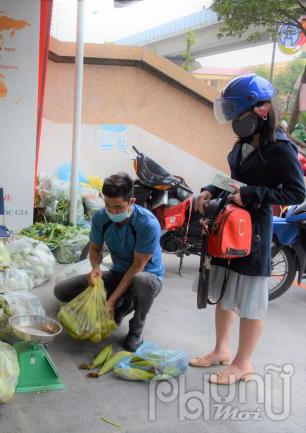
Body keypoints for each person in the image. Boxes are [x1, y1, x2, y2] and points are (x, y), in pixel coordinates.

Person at [191, 74, 306, 385]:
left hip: (254, 233)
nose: (234, 122)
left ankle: (243, 364)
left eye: (237, 115)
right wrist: (208, 191)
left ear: (261, 110)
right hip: (229, 228)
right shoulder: (243, 144)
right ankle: (221, 351)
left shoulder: (281, 149)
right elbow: (233, 181)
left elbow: (297, 193)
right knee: (226, 291)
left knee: (251, 300)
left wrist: (254, 195)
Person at [54, 172, 164, 352]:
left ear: (132, 202)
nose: (112, 212)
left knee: (141, 282)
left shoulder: (147, 224)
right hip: (117, 273)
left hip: (147, 277)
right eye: (108, 206)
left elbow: (137, 267)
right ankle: (124, 302)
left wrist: (110, 301)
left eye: (119, 208)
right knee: (62, 291)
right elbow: (95, 249)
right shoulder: (101, 218)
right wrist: (95, 268)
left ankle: (136, 328)